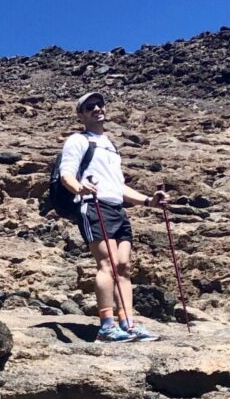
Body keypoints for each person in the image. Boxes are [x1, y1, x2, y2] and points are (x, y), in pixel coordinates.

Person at [59, 91, 167, 342]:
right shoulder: (78, 140)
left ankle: (128, 323)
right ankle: (107, 326)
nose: (96, 109)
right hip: (93, 206)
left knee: (124, 266)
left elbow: (119, 186)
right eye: (89, 107)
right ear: (81, 115)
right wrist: (79, 189)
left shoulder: (110, 145)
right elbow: (67, 175)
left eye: (99, 104)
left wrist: (149, 201)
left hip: (117, 208)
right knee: (106, 264)